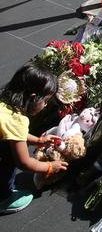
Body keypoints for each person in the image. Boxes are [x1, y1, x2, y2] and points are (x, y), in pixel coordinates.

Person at [0, 63, 66, 214]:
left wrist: (38, 141)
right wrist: (50, 167)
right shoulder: (17, 120)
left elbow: (13, 134)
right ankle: (3, 198)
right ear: (34, 98)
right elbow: (24, 162)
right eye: (46, 101)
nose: (45, 105)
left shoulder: (3, 104)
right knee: (9, 158)